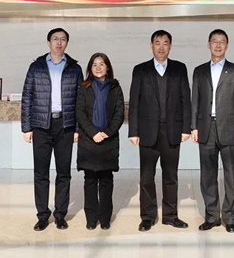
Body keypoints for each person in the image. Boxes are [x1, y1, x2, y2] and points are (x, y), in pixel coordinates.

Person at [128, 30, 192, 232]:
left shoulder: (179, 68)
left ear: (170, 46)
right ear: (151, 45)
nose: (161, 47)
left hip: (172, 131)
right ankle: (147, 217)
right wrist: (133, 131)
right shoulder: (140, 70)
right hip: (147, 132)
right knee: (146, 177)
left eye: (165, 43)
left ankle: (170, 216)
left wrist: (186, 128)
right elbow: (134, 102)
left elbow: (186, 99)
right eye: (157, 43)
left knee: (170, 176)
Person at [21, 28, 83, 231]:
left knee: (64, 172)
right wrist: (26, 127)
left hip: (65, 125)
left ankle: (60, 214)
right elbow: (27, 97)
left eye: (63, 39)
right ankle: (42, 215)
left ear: (67, 43)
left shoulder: (74, 68)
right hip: (41, 125)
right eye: (55, 39)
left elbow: (80, 101)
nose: (59, 42)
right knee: (41, 173)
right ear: (48, 42)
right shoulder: (36, 67)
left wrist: (77, 128)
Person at [191, 29, 234, 233]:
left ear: (227, 45)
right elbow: (195, 101)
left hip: (230, 129)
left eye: (222, 41)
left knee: (231, 175)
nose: (218, 45)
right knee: (207, 175)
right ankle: (212, 216)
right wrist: (194, 126)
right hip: (206, 128)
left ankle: (230, 217)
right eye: (214, 41)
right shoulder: (199, 71)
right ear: (208, 45)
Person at [75, 53, 125, 230]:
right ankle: (91, 218)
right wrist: (93, 133)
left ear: (107, 67)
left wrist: (107, 133)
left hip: (108, 140)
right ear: (90, 68)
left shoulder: (115, 87)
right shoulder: (84, 87)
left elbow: (119, 112)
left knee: (106, 180)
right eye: (94, 64)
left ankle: (105, 218)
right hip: (89, 140)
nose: (98, 67)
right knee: (89, 181)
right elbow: (80, 113)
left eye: (102, 64)